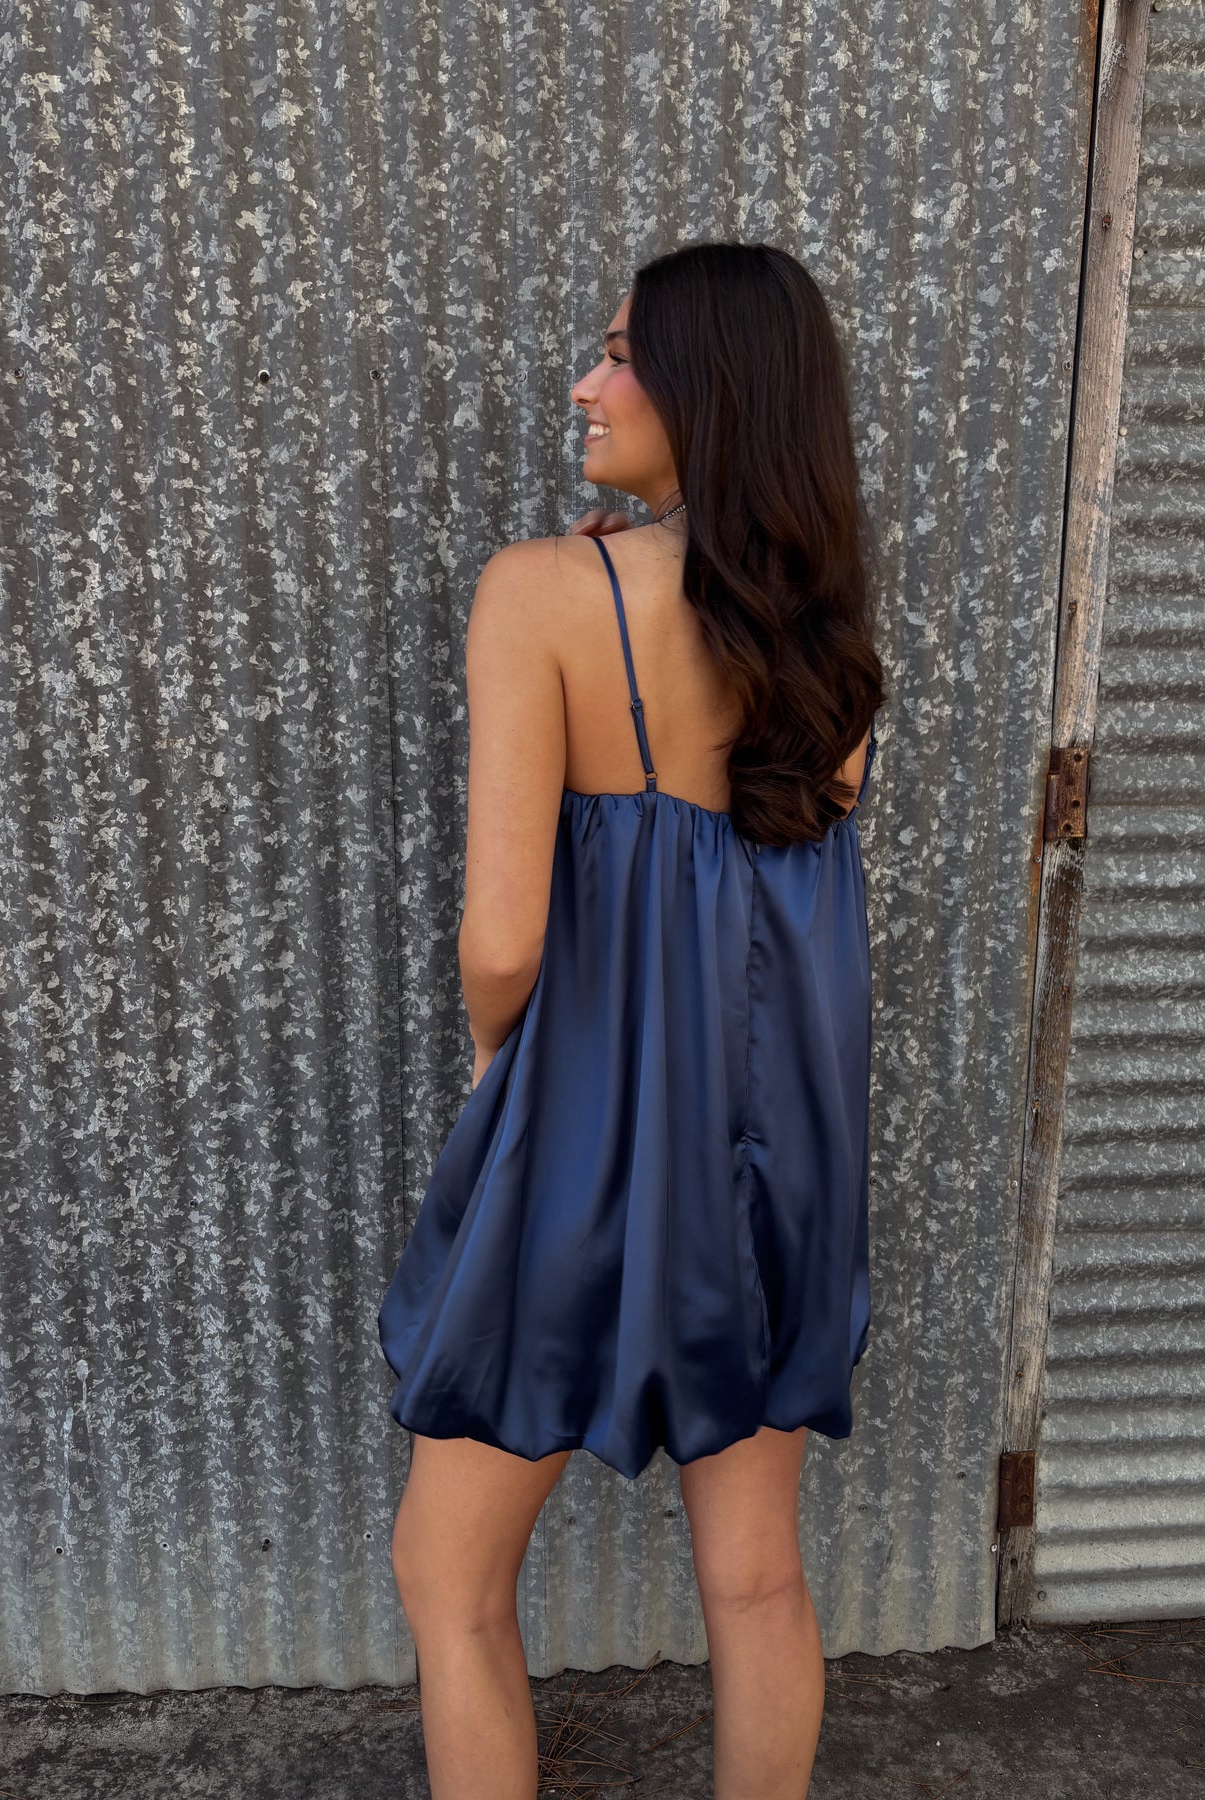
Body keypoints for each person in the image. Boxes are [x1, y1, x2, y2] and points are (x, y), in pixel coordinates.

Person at [377, 240, 887, 1800]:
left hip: (583, 1137)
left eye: (617, 354)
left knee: (448, 1580)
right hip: (781, 1148)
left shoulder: (540, 592)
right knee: (754, 1574)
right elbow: (768, 894)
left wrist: (495, 1064)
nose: (583, 385)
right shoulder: (824, 639)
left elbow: (503, 935)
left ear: (707, 391)